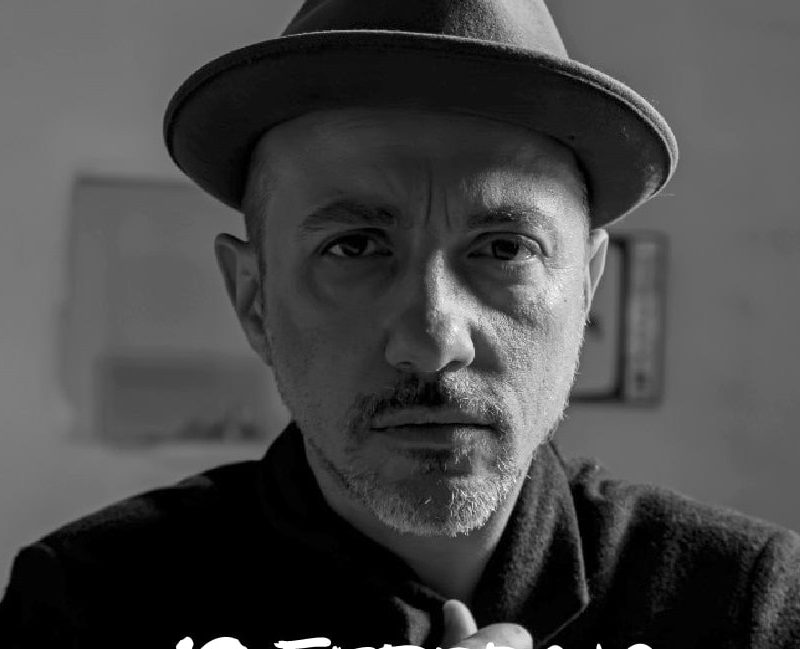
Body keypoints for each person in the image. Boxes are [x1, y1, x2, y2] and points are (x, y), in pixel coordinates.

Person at [1, 0, 799, 648]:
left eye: (504, 248)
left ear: (585, 289)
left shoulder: (745, 603)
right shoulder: (88, 604)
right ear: (253, 298)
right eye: (355, 246)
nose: (433, 339)